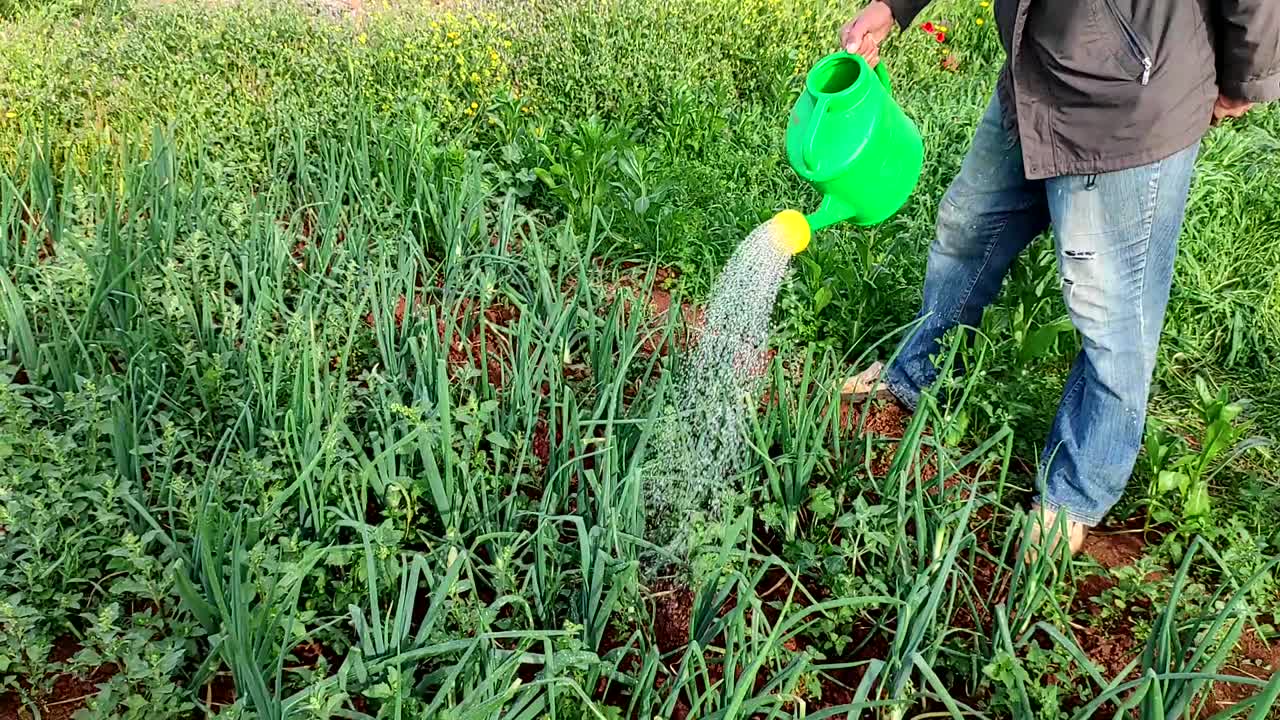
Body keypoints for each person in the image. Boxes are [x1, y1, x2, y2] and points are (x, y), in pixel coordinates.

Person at [837, 0, 1279, 557]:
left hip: (1127, 99)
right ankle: (918, 375)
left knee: (1108, 305)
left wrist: (1248, 76)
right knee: (966, 228)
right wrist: (892, 7)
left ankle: (1076, 491)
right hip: (1036, 75)